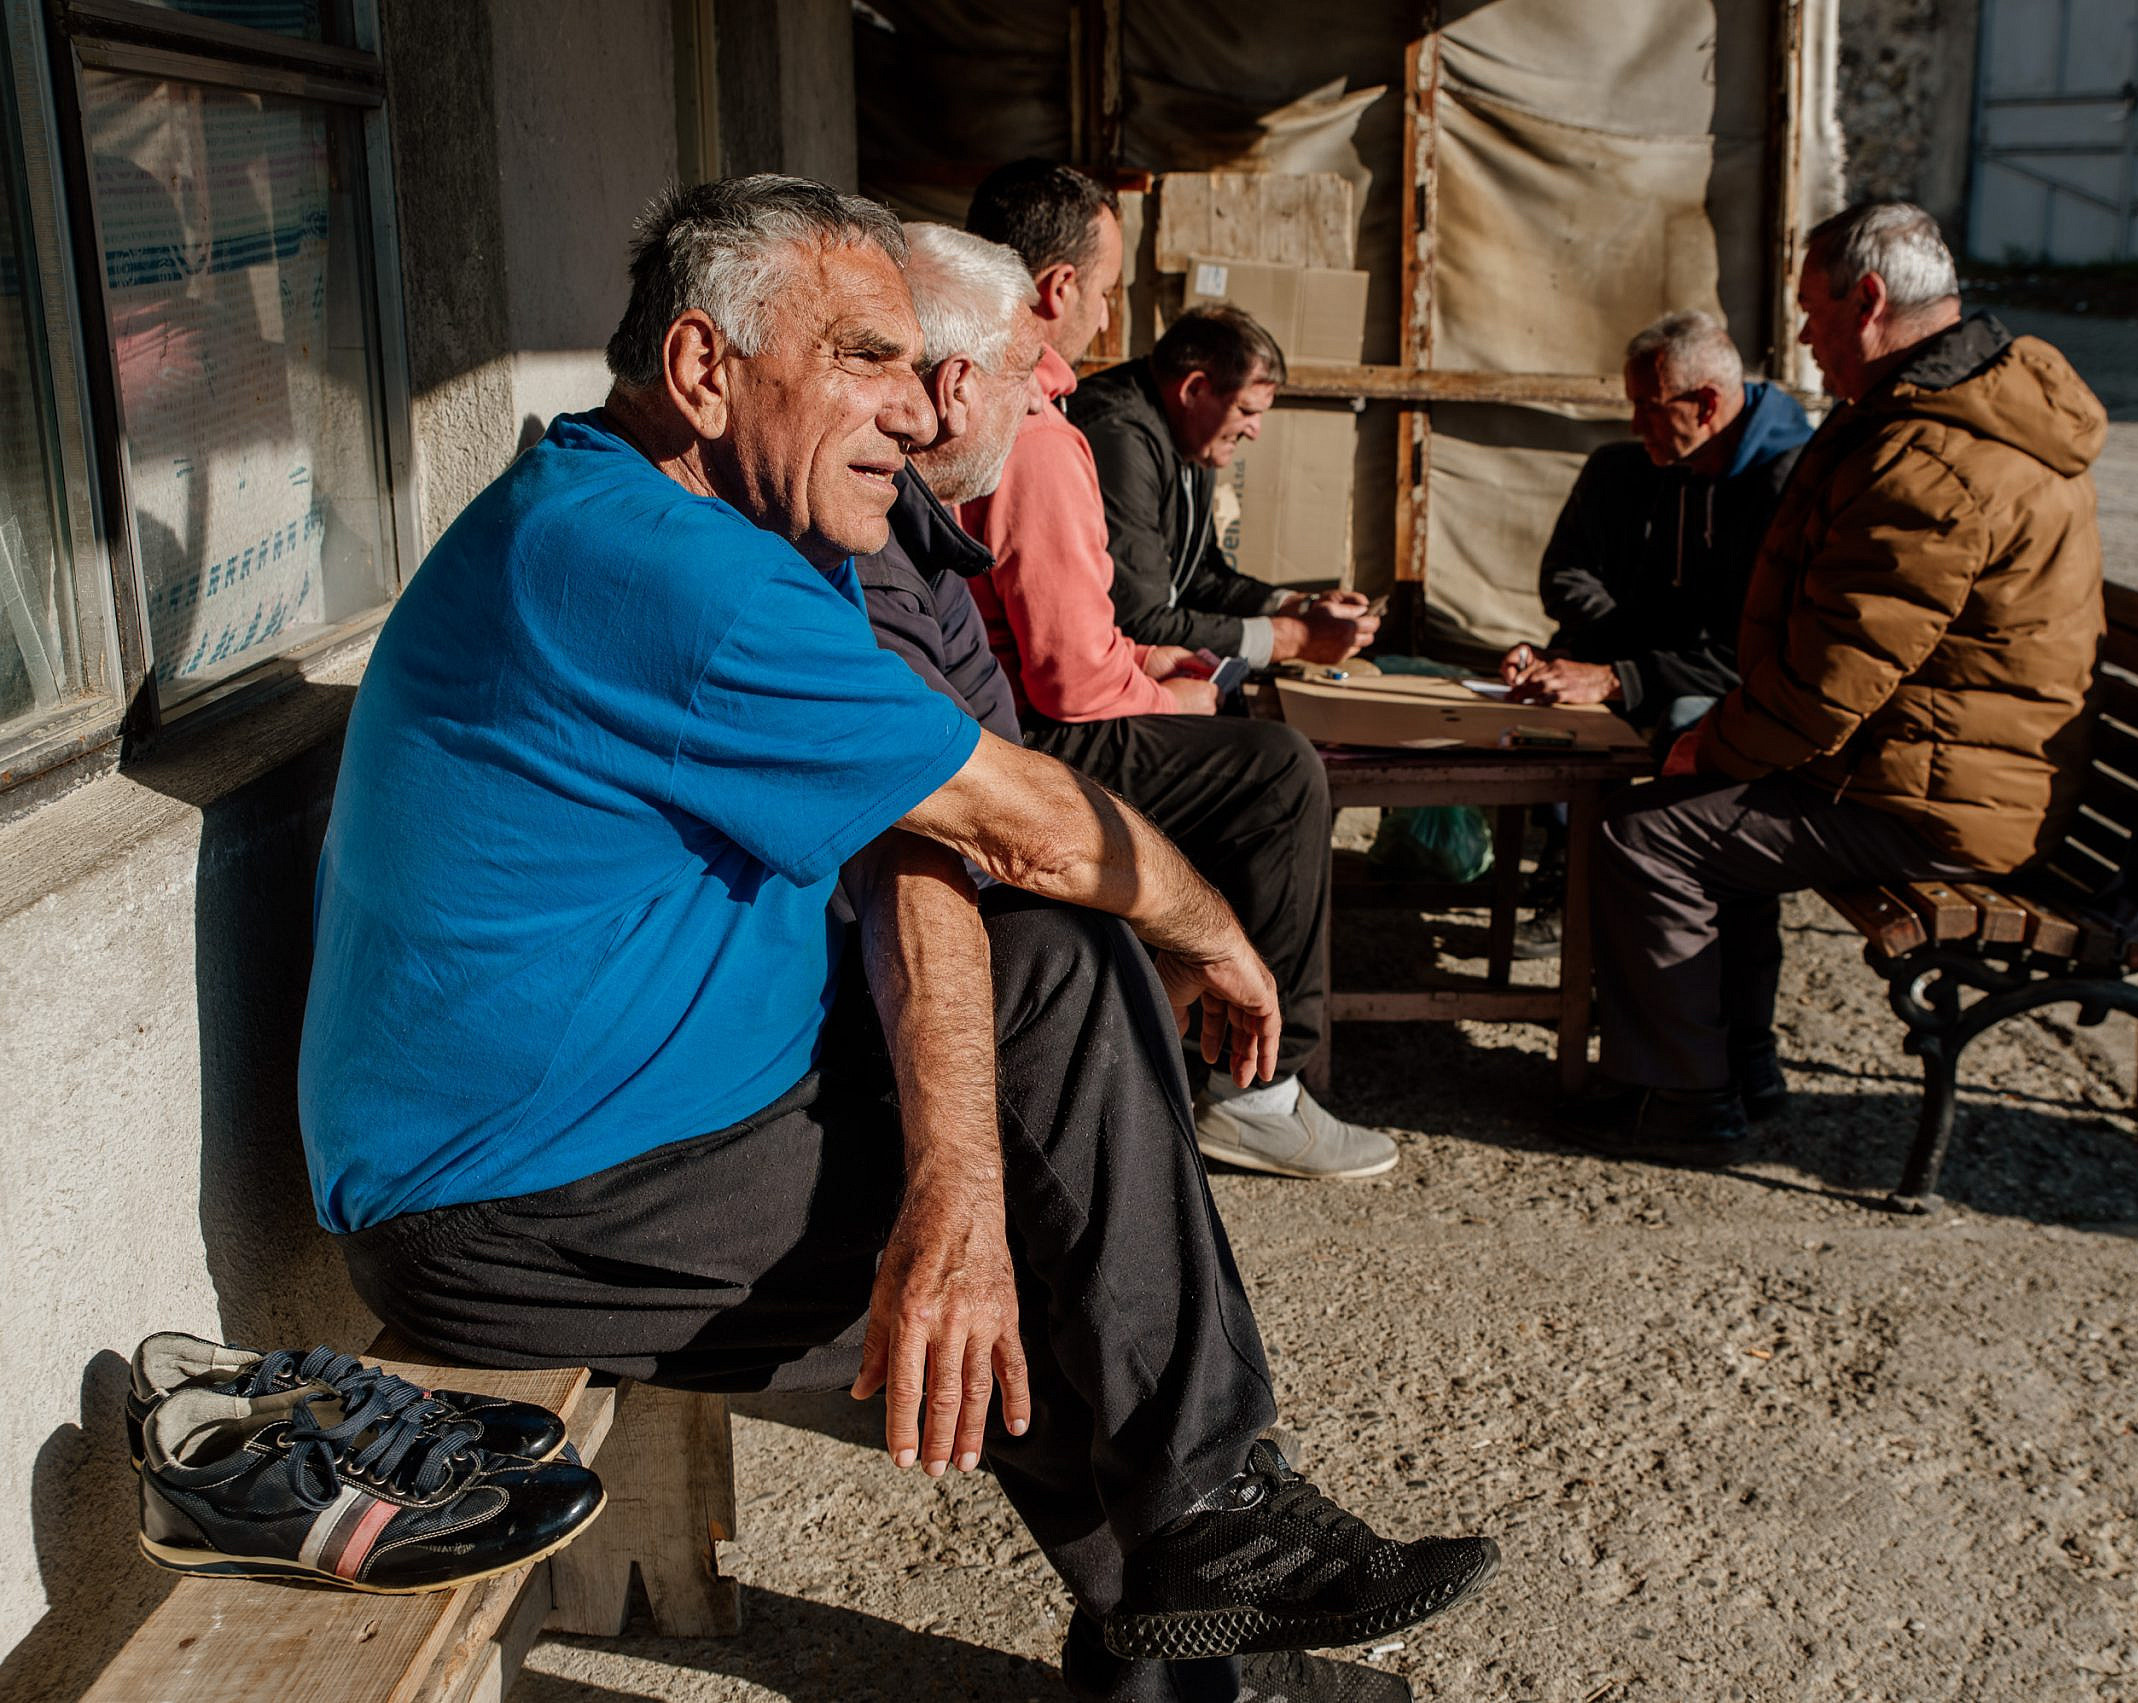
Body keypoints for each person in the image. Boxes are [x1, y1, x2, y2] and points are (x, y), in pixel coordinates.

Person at [297, 176, 1494, 1703]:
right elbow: (1025, 821)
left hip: (632, 1136)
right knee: (1084, 1188)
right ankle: (1213, 1571)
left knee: (1062, 1034)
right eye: (864, 358)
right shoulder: (663, 571)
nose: (919, 418)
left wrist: (966, 1180)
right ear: (700, 370)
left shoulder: (697, 526)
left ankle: (1204, 1568)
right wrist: (1216, 932)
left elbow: (932, 842)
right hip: (517, 1206)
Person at [1587, 200, 2108, 1148]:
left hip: (1939, 805)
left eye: (1810, 310)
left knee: (1647, 835)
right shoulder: (1929, 414)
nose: (1800, 335)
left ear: (1868, 301)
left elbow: (1836, 675)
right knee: (1693, 806)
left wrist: (1716, 742)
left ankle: (1685, 1101)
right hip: (1932, 770)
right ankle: (1735, 1060)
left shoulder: (1937, 457)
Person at [962, 162, 1394, 1180]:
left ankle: (1189, 1028)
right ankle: (1262, 1087)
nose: (1113, 315)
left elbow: (1077, 621)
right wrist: (1182, 686)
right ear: (1058, 289)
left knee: (1244, 746)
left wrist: (1203, 647)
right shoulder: (1050, 434)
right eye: (1109, 289)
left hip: (988, 704)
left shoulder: (992, 402)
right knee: (1280, 771)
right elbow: (1073, 676)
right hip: (1020, 734)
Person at [1500, 311, 1812, 737]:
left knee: (1683, 719)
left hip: (1737, 694)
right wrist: (1569, 656)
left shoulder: (1791, 488)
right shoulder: (1658, 465)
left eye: (1649, 406)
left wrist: (1617, 678)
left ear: (1706, 404)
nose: (1635, 425)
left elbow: (1755, 652)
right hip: (1650, 668)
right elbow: (1575, 578)